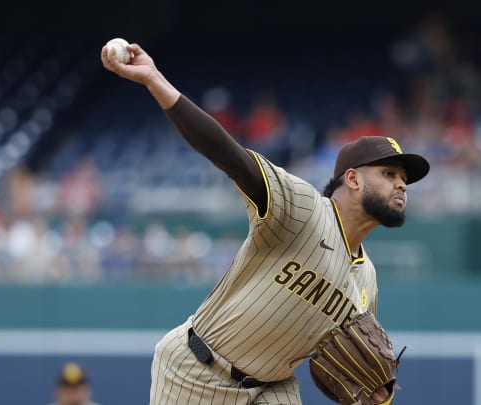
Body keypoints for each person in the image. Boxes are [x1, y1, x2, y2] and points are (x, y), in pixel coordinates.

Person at [101, 41, 430, 405]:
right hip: (195, 370)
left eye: (404, 178)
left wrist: (376, 392)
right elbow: (229, 155)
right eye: (388, 173)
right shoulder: (301, 209)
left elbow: (357, 366)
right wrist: (155, 80)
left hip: (272, 388)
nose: (401, 183)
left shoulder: (367, 278)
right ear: (352, 179)